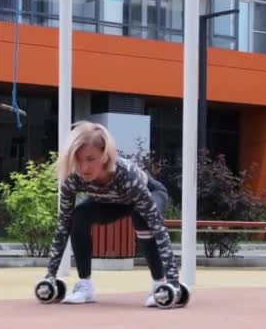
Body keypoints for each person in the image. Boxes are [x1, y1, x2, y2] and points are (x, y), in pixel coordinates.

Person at [43, 121, 180, 306]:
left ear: (105, 156)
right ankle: (85, 286)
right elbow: (62, 225)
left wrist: (173, 282)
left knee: (142, 218)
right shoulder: (73, 178)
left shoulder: (126, 175)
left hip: (149, 193)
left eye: (91, 159)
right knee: (77, 217)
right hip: (110, 202)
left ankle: (158, 284)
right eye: (78, 159)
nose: (84, 168)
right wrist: (49, 277)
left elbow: (158, 229)